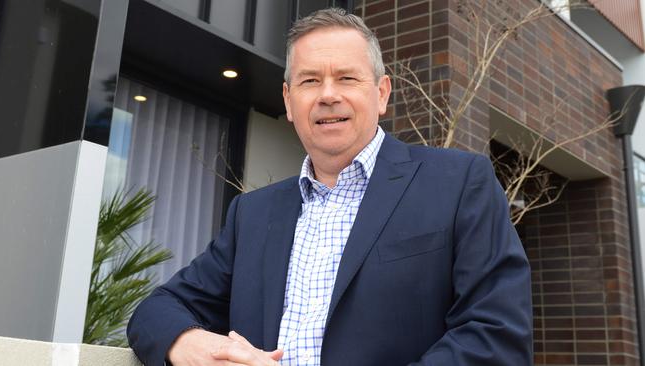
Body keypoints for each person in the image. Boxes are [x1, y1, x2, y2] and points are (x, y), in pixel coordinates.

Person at [127, 8, 533, 366]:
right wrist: (193, 345)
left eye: (347, 77)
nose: (328, 95)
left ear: (381, 93)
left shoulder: (460, 183)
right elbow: (157, 310)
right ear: (288, 101)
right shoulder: (252, 214)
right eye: (309, 81)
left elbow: (497, 337)